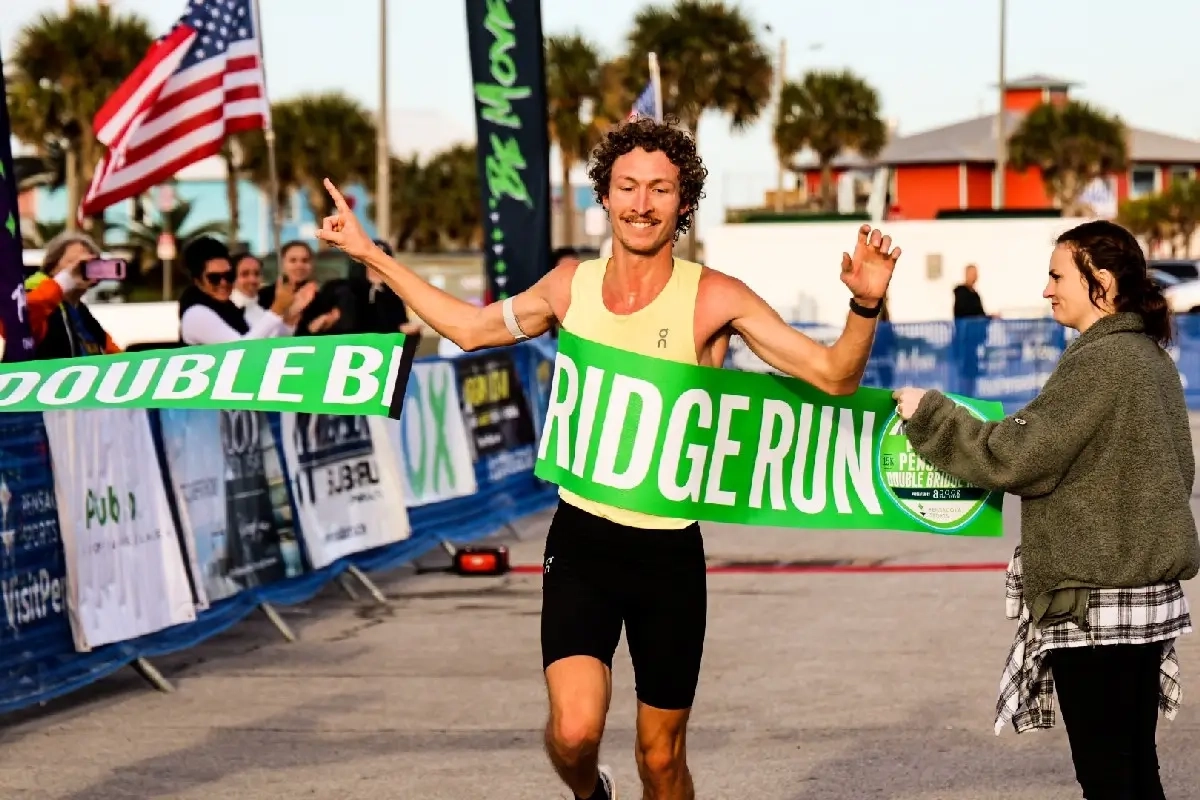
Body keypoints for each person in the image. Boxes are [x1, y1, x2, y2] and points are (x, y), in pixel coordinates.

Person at [314, 117, 901, 800]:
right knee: (571, 732)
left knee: (661, 759)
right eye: (627, 187)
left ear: (684, 203)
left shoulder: (715, 297)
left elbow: (833, 376)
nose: (642, 203)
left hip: (668, 556)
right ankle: (592, 794)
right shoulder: (570, 287)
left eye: (659, 189)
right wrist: (369, 255)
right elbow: (471, 329)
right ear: (605, 195)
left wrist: (864, 302)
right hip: (582, 543)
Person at [893, 220, 1200, 800]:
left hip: (1095, 607)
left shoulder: (1101, 362)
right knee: (1136, 768)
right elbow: (1177, 474)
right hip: (1145, 602)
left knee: (1107, 776)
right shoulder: (1151, 359)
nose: (1046, 289)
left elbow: (1015, 456)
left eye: (1058, 276)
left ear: (1101, 283)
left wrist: (929, 414)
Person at [178, 236, 314, 345]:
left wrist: (290, 318)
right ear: (197, 280)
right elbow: (241, 350)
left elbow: (267, 345)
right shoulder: (195, 313)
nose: (223, 283)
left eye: (229, 276)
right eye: (214, 278)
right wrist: (277, 309)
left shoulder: (229, 309)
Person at [23, 231, 122, 358]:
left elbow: (115, 357)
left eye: (87, 264)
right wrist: (64, 281)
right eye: (72, 262)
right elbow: (19, 321)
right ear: (52, 267)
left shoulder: (80, 311)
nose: (79, 269)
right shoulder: (32, 292)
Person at [230, 251, 266, 325]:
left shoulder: (261, 311)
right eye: (245, 274)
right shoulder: (225, 312)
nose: (252, 280)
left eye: (257, 274)